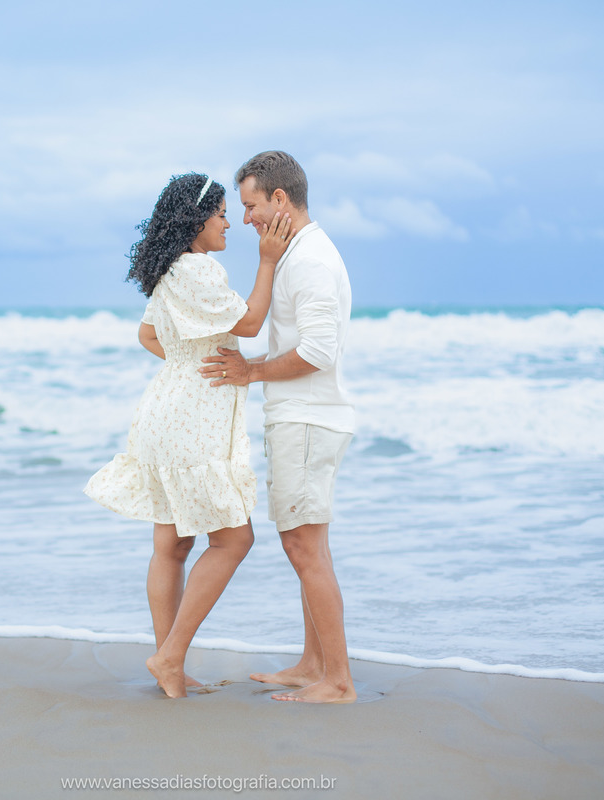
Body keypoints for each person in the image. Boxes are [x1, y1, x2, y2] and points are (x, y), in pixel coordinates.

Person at [84, 172, 293, 699]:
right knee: (234, 538)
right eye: (221, 212)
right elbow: (247, 325)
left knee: (172, 544)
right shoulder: (199, 267)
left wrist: (187, 361)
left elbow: (147, 334)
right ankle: (171, 657)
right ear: (196, 220)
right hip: (193, 421)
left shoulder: (169, 270)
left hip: (163, 412)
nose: (228, 222)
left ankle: (168, 664)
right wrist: (268, 261)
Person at [200, 151, 357, 704]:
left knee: (303, 547)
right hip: (304, 418)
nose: (245, 219)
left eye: (251, 206)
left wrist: (252, 371)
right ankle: (314, 663)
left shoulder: (310, 260)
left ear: (280, 200)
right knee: (309, 545)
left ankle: (337, 681)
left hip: (309, 419)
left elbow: (317, 350)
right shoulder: (296, 253)